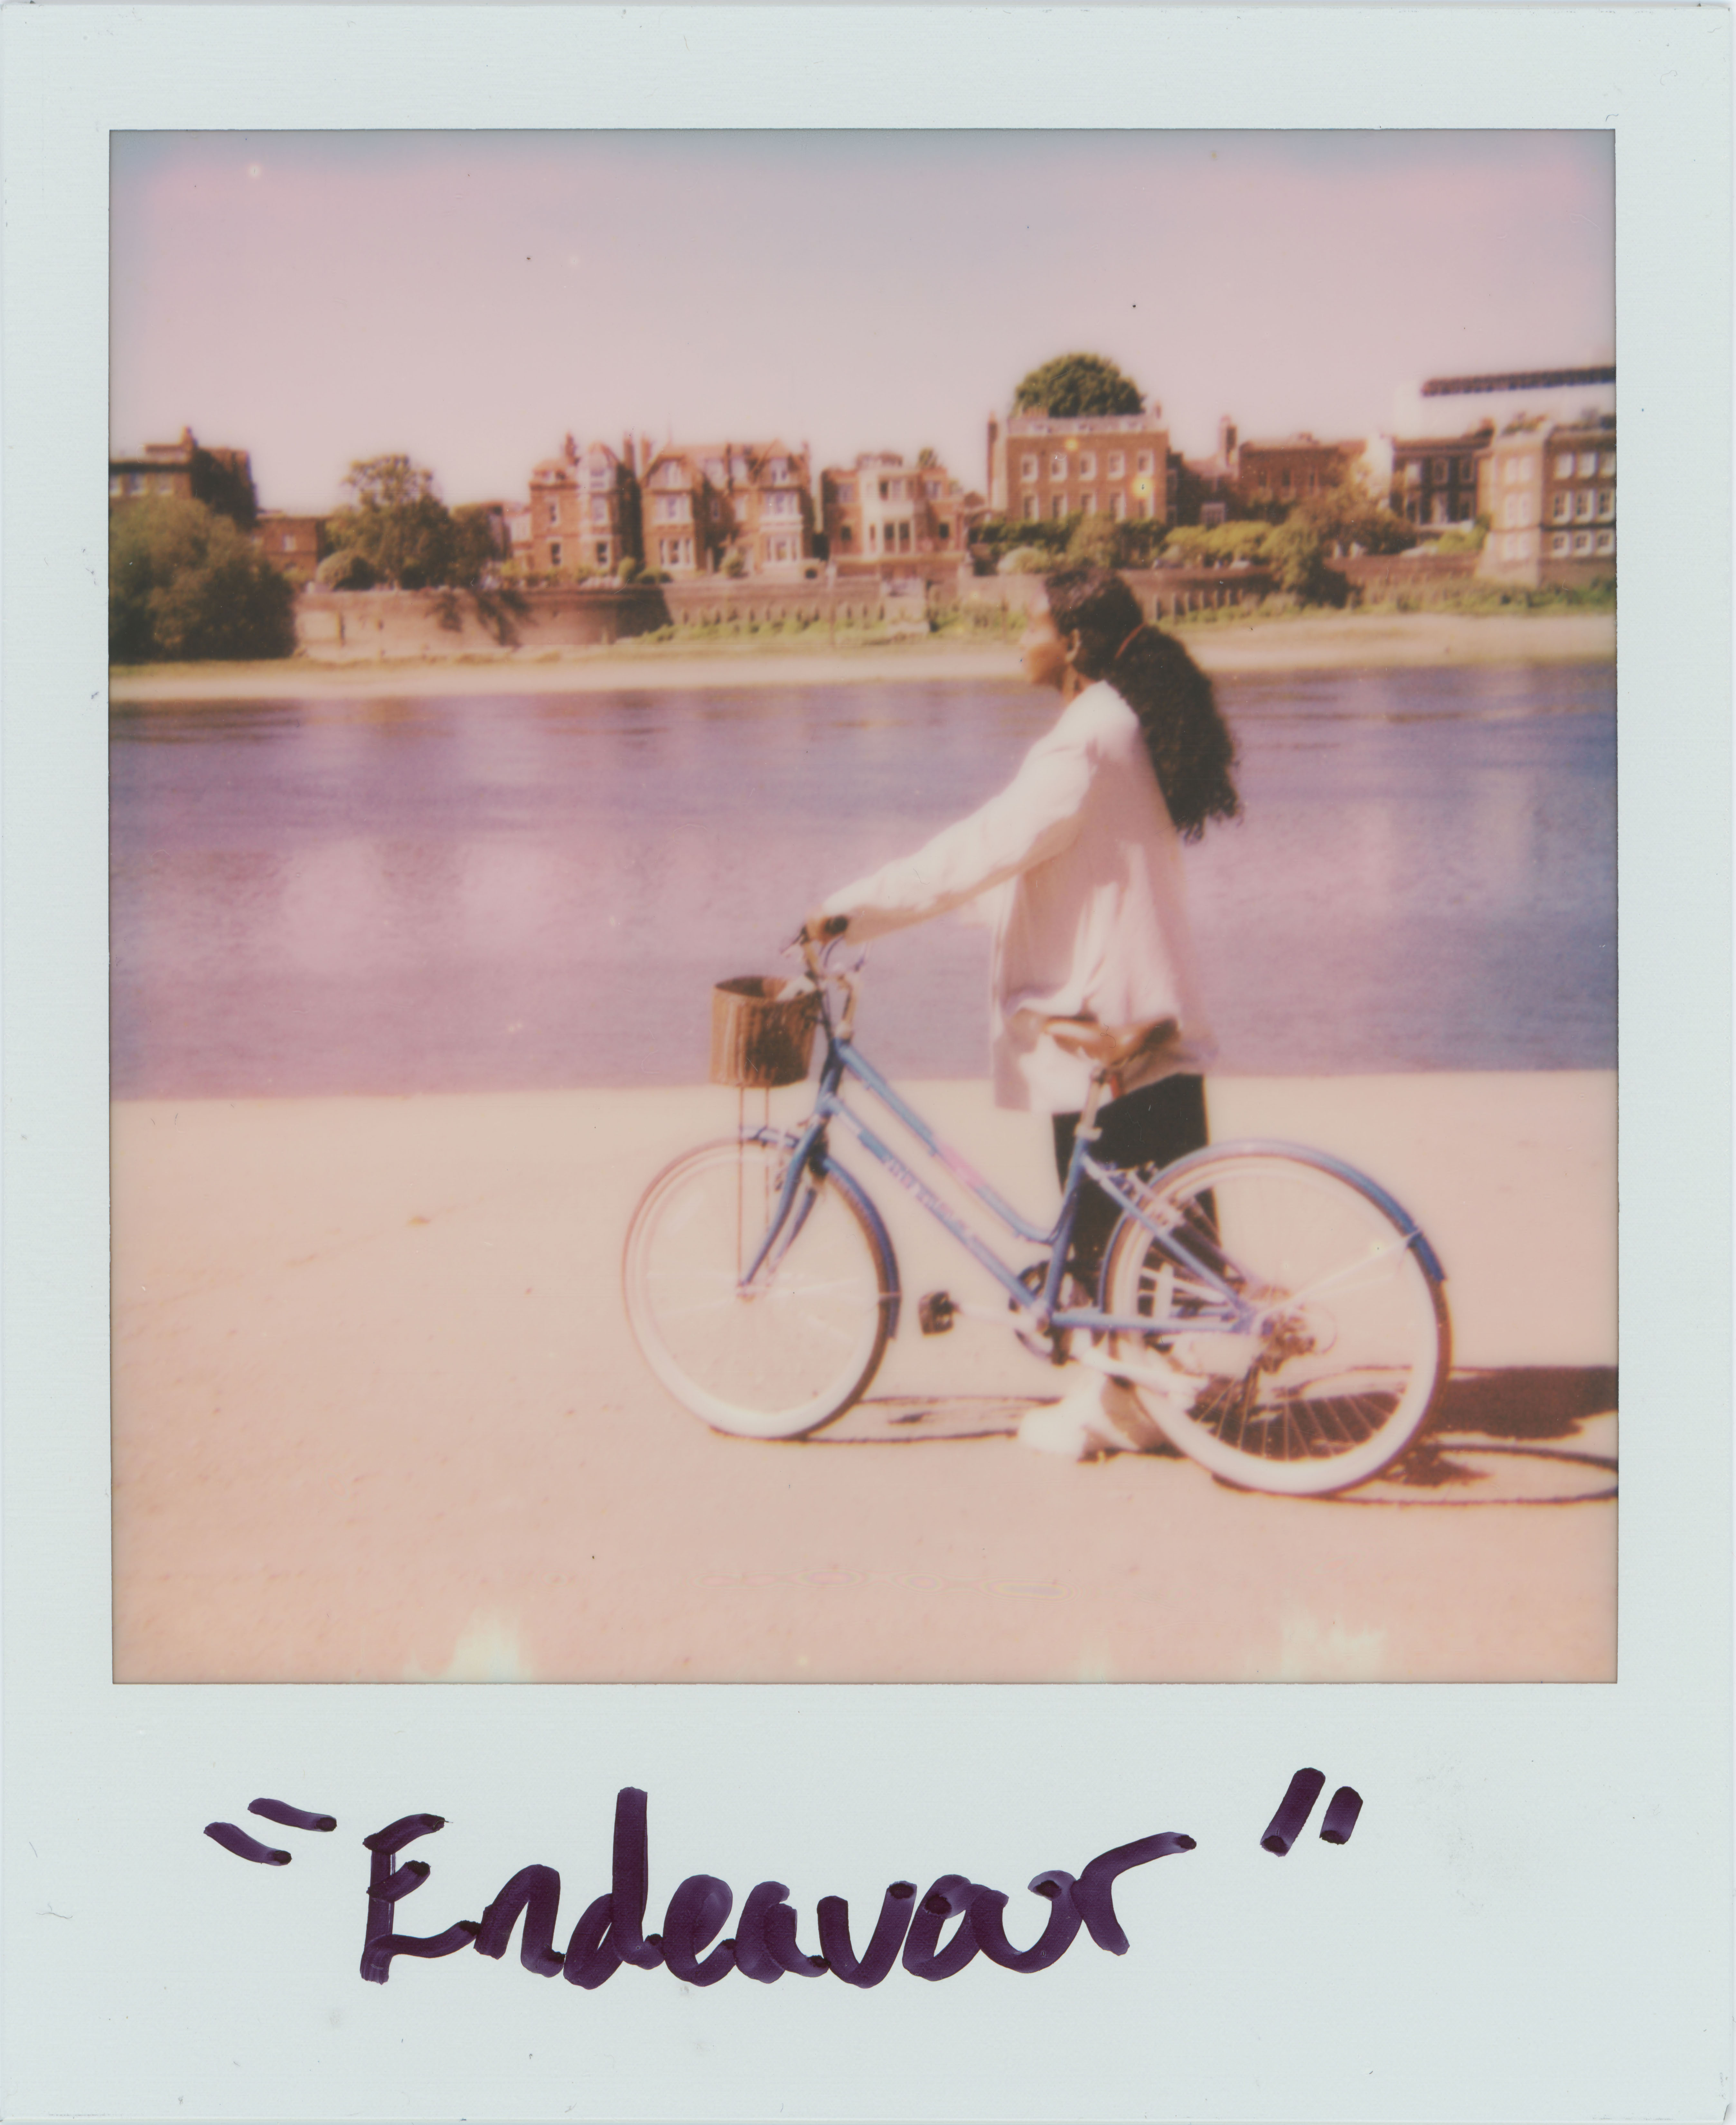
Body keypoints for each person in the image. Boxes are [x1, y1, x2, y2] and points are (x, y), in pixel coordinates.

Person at [804, 562, 1241, 1461]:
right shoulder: (1121, 724)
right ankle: (1158, 1387)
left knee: (1113, 1228)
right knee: (1149, 1225)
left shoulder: (1080, 742)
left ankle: (1118, 1407)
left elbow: (979, 851)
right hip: (1143, 993)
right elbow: (1041, 866)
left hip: (1096, 1009)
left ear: (1071, 642)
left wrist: (853, 909)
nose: (1018, 639)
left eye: (1029, 624)